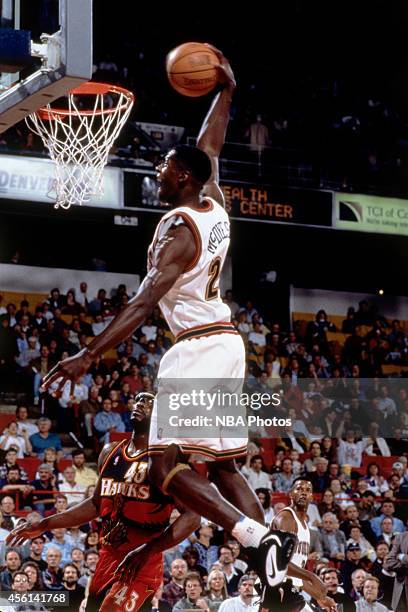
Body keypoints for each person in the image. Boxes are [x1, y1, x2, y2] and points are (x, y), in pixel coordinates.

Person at [41, 46, 305, 606]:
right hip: (227, 345)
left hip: (197, 347)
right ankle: (275, 573)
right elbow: (210, 144)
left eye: (163, 169)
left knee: (164, 464)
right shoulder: (211, 200)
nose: (157, 173)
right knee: (226, 467)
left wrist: (87, 355)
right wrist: (225, 94)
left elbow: (141, 305)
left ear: (180, 178)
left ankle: (255, 537)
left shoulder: (179, 231)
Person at [7, 392, 200, 612]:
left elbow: (193, 516)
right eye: (139, 400)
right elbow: (96, 505)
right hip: (107, 556)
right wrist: (43, 524)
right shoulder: (110, 452)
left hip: (141, 561)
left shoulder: (167, 459)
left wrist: (148, 550)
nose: (140, 404)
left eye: (148, 403)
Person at [270, 479, 336, 611]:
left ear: (312, 497)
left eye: (307, 490)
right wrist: (312, 577)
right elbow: (281, 564)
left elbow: (295, 576)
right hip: (273, 589)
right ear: (291, 494)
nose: (303, 493)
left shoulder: (305, 527)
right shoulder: (286, 518)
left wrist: (320, 597)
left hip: (288, 588)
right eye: (299, 489)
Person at [384, 530, 408, 611]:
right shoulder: (400, 537)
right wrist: (404, 566)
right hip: (402, 591)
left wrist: (402, 557)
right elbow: (388, 562)